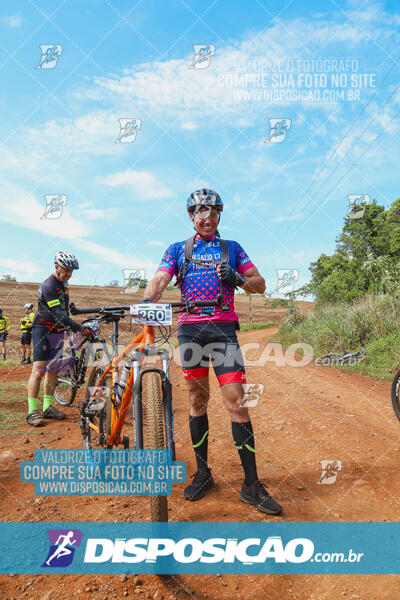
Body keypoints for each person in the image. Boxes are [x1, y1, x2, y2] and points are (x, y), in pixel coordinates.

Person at [142, 189, 282, 515]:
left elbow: (260, 284)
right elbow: (161, 279)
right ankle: (203, 473)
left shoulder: (232, 248)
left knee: (237, 402)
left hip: (223, 331)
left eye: (212, 213)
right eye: (200, 212)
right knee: (196, 401)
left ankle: (251, 485)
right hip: (190, 332)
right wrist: (147, 301)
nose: (207, 218)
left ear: (219, 216)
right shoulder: (177, 249)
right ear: (191, 216)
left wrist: (239, 279)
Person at [27, 252, 92, 427]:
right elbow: (57, 313)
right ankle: (32, 411)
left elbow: (63, 309)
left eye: (71, 271)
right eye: (66, 270)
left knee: (53, 369)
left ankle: (48, 407)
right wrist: (78, 328)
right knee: (39, 369)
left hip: (58, 329)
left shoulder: (65, 284)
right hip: (42, 328)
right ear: (57, 267)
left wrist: (72, 312)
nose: (69, 274)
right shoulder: (49, 285)